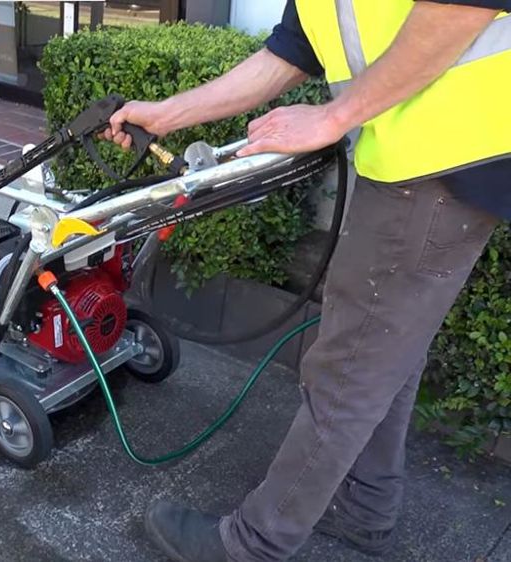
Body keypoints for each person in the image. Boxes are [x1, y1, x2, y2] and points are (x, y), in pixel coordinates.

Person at [103, 1, 511, 560]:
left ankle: (253, 544)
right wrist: (168, 114)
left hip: (443, 161)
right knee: (385, 351)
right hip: (415, 160)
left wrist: (332, 117)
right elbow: (286, 53)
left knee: (348, 367)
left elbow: (460, 9)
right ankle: (366, 509)